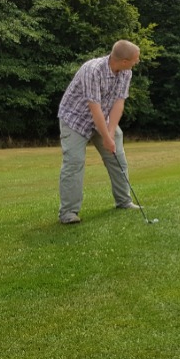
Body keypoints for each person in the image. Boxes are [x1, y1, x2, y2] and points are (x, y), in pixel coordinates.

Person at [57, 40, 141, 224]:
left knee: (118, 158)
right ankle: (68, 213)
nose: (137, 62)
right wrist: (106, 138)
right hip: (75, 119)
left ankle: (124, 201)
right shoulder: (92, 70)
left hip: (104, 118)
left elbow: (119, 103)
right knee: (74, 162)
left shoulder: (126, 72)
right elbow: (94, 108)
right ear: (124, 60)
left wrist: (110, 134)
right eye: (136, 59)